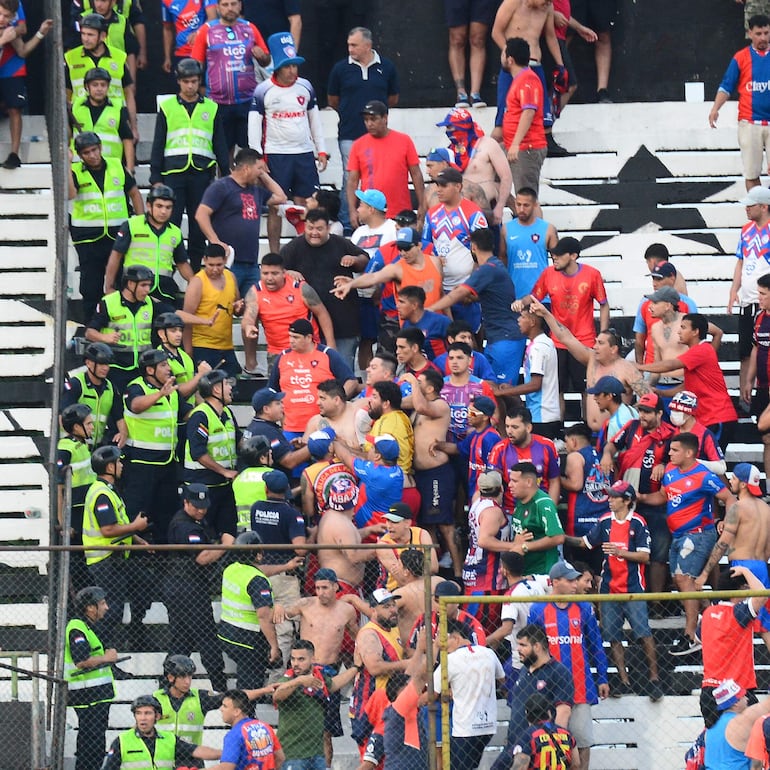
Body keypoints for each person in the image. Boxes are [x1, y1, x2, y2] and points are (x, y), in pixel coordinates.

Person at [566, 480, 663, 701]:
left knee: (643, 632)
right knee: (613, 635)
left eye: (614, 496)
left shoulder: (638, 522)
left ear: (627, 500)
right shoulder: (604, 521)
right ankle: (622, 679)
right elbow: (585, 543)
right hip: (609, 587)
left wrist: (621, 552)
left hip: (632, 587)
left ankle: (654, 678)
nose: (609, 499)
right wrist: (559, 537)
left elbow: (645, 556)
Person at [642, 433, 736, 655]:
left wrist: (725, 521)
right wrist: (641, 498)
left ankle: (690, 634)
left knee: (684, 579)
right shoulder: (670, 472)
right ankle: (711, 614)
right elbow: (664, 496)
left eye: (674, 450)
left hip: (698, 534)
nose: (669, 453)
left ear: (689, 452)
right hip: (678, 535)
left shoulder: (704, 475)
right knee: (680, 580)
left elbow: (730, 498)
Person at [248, 31, 328, 253]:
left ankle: (306, 251)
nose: (292, 70)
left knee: (306, 203)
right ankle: (274, 255)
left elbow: (315, 121)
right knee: (276, 205)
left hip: (303, 153)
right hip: (276, 153)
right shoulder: (263, 90)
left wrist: (321, 150)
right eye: (287, 65)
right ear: (277, 66)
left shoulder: (305, 86)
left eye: (295, 65)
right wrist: (257, 158)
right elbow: (253, 125)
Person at [514, 239, 610, 417]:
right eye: (553, 254)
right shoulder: (548, 273)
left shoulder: (592, 274)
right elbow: (534, 297)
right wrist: (522, 302)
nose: (554, 258)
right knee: (557, 388)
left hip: (584, 341)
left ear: (573, 256)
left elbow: (603, 304)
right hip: (557, 341)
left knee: (587, 388)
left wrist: (604, 332)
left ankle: (587, 429)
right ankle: (559, 431)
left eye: (559, 255)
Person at [150, 57, 229, 271]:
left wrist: (226, 174)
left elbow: (219, 143)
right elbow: (159, 142)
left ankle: (195, 274)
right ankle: (167, 272)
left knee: (198, 226)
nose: (190, 85)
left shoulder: (211, 108)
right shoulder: (167, 107)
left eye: (194, 81)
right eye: (186, 81)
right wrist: (155, 177)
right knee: (172, 224)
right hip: (174, 172)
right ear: (179, 82)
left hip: (202, 174)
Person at [529, 560, 610, 769]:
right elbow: (530, 650)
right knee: (549, 741)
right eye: (570, 579)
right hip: (548, 689)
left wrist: (602, 677)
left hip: (581, 686)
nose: (576, 584)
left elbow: (596, 645)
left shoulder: (584, 608)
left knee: (582, 741)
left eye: (576, 579)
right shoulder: (538, 609)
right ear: (555, 582)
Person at [529, 298, 647, 430]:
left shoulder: (627, 369)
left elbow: (649, 398)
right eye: (595, 342)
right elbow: (565, 338)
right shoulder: (592, 359)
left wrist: (631, 417)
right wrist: (546, 314)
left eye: (600, 343)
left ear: (613, 349)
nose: (595, 346)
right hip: (594, 433)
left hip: (618, 433)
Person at [599, 392, 675, 597]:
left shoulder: (670, 434)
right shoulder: (632, 427)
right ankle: (632, 597)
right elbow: (612, 444)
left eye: (648, 412)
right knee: (628, 549)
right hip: (629, 503)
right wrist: (607, 454)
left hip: (656, 502)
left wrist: (665, 465)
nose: (642, 415)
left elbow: (678, 461)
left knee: (658, 553)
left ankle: (657, 604)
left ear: (660, 413)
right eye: (641, 410)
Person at [195, 147, 287, 311]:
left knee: (254, 311)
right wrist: (215, 242)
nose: (261, 172)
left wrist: (262, 173)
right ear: (246, 168)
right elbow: (201, 214)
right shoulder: (221, 187)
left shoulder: (256, 190)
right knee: (225, 310)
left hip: (251, 262)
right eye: (258, 168)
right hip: (229, 263)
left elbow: (281, 197)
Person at [327, 26, 400, 232]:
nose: (350, 49)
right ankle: (348, 222)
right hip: (350, 132)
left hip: (379, 136)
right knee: (349, 176)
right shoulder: (340, 69)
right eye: (349, 45)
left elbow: (392, 98)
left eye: (354, 45)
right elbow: (333, 100)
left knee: (378, 175)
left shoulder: (387, 67)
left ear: (368, 45)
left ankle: (379, 217)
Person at [428, 227, 523, 384]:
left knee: (504, 390)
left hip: (505, 338)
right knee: (492, 388)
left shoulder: (487, 270)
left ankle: (519, 410)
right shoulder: (496, 266)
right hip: (498, 337)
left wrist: (430, 309)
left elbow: (459, 293)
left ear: (473, 247)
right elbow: (483, 296)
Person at [280, 208, 370, 369]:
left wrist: (354, 259)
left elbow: (364, 259)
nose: (314, 233)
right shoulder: (294, 247)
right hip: (309, 326)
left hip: (345, 321)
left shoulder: (340, 243)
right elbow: (274, 269)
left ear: (328, 228)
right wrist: (288, 272)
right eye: (310, 228)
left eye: (319, 229)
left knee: (342, 369)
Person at [68, 131, 143, 322]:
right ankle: (92, 328)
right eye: (86, 152)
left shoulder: (116, 165)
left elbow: (134, 193)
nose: (92, 155)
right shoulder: (75, 170)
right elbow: (69, 194)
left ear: (100, 148)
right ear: (80, 155)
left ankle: (119, 324)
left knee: (120, 283)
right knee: (91, 286)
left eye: (94, 150)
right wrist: (67, 165)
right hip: (88, 238)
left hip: (117, 236)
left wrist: (141, 223)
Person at [165, 484, 232, 693]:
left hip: (185, 586)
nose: (201, 510)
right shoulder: (185, 526)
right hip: (187, 588)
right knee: (206, 635)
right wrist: (225, 545)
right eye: (196, 506)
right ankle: (220, 687)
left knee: (182, 640)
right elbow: (202, 558)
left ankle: (166, 683)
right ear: (185, 502)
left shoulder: (194, 521)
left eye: (204, 506)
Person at [82, 445, 150, 649]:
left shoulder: (108, 490)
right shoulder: (102, 494)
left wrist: (136, 538)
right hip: (105, 560)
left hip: (115, 559)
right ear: (109, 467)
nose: (121, 465)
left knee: (142, 587)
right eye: (118, 462)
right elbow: (108, 530)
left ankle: (112, 650)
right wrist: (136, 526)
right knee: (110, 611)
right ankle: (102, 654)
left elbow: (118, 523)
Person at [122, 348, 191, 543]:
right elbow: (136, 405)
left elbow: (187, 413)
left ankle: (163, 559)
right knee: (137, 513)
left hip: (167, 464)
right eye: (163, 365)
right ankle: (133, 559)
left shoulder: (172, 389)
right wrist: (160, 394)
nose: (168, 368)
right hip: (141, 464)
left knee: (167, 514)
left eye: (168, 364)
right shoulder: (136, 387)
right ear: (150, 370)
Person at [638, 313, 738, 445]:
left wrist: (640, 366)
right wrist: (661, 393)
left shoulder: (702, 350)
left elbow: (671, 365)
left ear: (695, 332)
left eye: (684, 328)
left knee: (710, 462)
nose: (679, 331)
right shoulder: (699, 351)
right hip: (710, 417)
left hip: (717, 416)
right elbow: (687, 386)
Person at [190, 0, 270, 155]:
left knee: (252, 150)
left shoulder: (250, 28)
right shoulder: (206, 30)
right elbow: (195, 66)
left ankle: (251, 180)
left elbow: (266, 61)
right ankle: (225, 180)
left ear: (240, 5)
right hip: (218, 102)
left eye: (233, 4)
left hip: (248, 101)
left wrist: (262, 56)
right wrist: (201, 91)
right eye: (225, 5)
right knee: (223, 152)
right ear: (218, 7)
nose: (230, 8)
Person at [402, 368, 461, 577]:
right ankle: (434, 572)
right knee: (427, 526)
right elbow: (397, 401)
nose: (415, 385)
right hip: (421, 475)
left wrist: (410, 380)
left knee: (445, 525)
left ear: (429, 387)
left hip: (438, 473)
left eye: (420, 382)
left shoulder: (440, 405)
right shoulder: (418, 403)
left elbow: (420, 404)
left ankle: (458, 573)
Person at [490, 624, 574, 770]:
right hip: (515, 745)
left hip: (538, 748)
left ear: (537, 646)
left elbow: (563, 712)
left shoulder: (559, 672)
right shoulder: (524, 671)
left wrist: (554, 746)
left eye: (523, 645)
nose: (518, 649)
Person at [273, 639, 359, 769]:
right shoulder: (287, 679)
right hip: (292, 755)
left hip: (317, 754)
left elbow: (333, 684)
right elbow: (277, 695)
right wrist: (299, 681)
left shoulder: (319, 677)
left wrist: (356, 668)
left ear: (313, 659)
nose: (295, 664)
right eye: (293, 659)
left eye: (301, 659)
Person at [249, 469, 307, 662]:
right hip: (285, 575)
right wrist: (312, 535)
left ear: (266, 489)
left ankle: (265, 668)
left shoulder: (255, 508)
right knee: (285, 627)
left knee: (263, 622)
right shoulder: (292, 514)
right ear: (287, 489)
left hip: (261, 573)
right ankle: (279, 674)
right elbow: (300, 550)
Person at [422, 167, 488, 331]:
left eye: (443, 185)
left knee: (469, 336)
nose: (438, 189)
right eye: (437, 185)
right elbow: (424, 246)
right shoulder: (432, 213)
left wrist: (472, 286)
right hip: (440, 289)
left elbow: (483, 252)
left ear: (458, 187)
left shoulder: (473, 213)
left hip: (464, 290)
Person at [268, 318, 356, 441]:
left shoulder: (327, 354)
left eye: (296, 337)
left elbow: (351, 381)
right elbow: (271, 390)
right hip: (291, 427)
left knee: (322, 459)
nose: (291, 341)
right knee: (292, 459)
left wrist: (337, 403)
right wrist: (279, 415)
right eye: (290, 336)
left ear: (309, 337)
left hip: (322, 425)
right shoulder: (283, 357)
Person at [709, 14, 770, 191]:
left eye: (766, 33)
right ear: (750, 33)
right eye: (758, 33)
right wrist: (715, 108)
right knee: (752, 174)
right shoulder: (740, 58)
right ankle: (759, 216)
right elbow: (726, 86)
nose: (763, 38)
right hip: (750, 123)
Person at [333, 227, 443, 325]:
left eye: (407, 248)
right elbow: (373, 277)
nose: (402, 253)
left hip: (437, 324)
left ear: (419, 245)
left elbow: (440, 293)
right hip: (413, 329)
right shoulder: (397, 268)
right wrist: (352, 284)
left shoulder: (435, 262)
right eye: (399, 248)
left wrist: (449, 320)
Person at [103, 184, 193, 303]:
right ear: (149, 206)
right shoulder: (131, 225)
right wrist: (109, 287)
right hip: (134, 288)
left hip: (163, 290)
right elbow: (116, 256)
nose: (163, 211)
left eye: (168, 207)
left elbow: (182, 263)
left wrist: (194, 282)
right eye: (159, 206)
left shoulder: (175, 232)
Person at [437, 619, 506, 770]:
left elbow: (431, 694)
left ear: (455, 637)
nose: (441, 646)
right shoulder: (488, 653)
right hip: (488, 726)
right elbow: (501, 679)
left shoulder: (450, 659)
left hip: (465, 729)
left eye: (442, 640)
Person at [464, 470, 527, 633]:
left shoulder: (476, 500)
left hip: (475, 573)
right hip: (487, 578)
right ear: (501, 488)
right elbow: (485, 540)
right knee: (485, 630)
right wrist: (514, 545)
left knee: (473, 626)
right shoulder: (493, 511)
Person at [346, 99, 425, 229]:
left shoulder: (404, 140)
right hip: (371, 212)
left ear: (385, 118)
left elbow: (416, 174)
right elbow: (352, 181)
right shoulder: (358, 145)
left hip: (400, 211)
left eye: (373, 119)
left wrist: (422, 204)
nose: (369, 123)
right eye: (366, 120)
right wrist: (352, 210)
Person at [218, 532, 282, 688]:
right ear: (258, 555)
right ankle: (244, 711)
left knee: (245, 681)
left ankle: (242, 708)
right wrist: (274, 646)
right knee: (250, 686)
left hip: (226, 633)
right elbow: (263, 616)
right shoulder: (257, 580)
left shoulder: (231, 569)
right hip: (247, 639)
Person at [183, 368, 240, 542]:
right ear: (216, 389)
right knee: (208, 535)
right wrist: (225, 471)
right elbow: (198, 453)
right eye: (226, 384)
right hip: (204, 485)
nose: (230, 388)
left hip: (224, 485)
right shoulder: (200, 416)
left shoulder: (228, 413)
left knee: (229, 529)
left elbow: (239, 442)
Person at [64, 586, 117, 770]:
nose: (106, 607)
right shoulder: (77, 628)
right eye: (102, 603)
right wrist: (106, 658)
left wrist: (109, 652)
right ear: (90, 607)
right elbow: (81, 660)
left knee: (94, 744)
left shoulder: (89, 626)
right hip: (87, 696)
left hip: (96, 695)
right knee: (91, 745)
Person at [349, 588, 408, 750]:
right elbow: (374, 667)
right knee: (372, 760)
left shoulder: (394, 629)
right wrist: (406, 664)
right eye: (386, 607)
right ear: (373, 610)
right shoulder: (369, 634)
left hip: (389, 702)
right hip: (370, 706)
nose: (393, 610)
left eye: (393, 605)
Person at [696, 463, 770, 589]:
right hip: (762, 567)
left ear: (743, 484)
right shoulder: (766, 508)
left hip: (741, 567)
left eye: (734, 478)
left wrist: (704, 574)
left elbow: (723, 543)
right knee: (759, 608)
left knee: (739, 608)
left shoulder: (737, 507)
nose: (730, 480)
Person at [435, 107, 513, 226]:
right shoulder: (451, 149)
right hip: (459, 210)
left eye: (450, 127)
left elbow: (506, 177)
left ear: (461, 126)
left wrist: (500, 207)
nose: (448, 131)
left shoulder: (488, 144)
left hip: (485, 208)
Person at [101, 693, 221, 769]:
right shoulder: (122, 741)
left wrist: (227, 754)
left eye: (147, 713)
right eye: (138, 713)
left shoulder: (169, 739)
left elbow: (196, 750)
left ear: (157, 717)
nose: (142, 718)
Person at [65, 13, 136, 132]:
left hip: (115, 119)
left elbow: (129, 94)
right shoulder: (71, 58)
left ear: (103, 36)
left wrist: (133, 127)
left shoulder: (119, 57)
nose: (85, 39)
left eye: (90, 35)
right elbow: (66, 96)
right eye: (83, 34)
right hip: (82, 120)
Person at [183, 243, 244, 377]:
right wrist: (188, 353)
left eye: (219, 265)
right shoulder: (197, 282)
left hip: (227, 346)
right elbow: (185, 319)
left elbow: (236, 308)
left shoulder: (231, 277)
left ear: (225, 261)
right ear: (204, 260)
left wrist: (239, 307)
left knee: (229, 389)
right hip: (203, 346)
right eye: (211, 265)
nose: (215, 269)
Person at [488, 407, 561, 516]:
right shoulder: (499, 449)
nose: (509, 431)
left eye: (515, 427)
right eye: (507, 426)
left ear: (528, 427)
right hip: (511, 513)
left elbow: (554, 481)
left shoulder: (547, 446)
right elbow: (493, 484)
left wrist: (549, 512)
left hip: (540, 511)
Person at [499, 307, 560, 434]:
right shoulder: (541, 343)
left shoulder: (539, 348)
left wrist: (506, 392)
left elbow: (535, 384)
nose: (518, 320)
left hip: (542, 416)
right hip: (541, 413)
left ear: (532, 322)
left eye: (522, 317)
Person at [501, 37, 549, 194]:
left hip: (526, 148)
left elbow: (528, 113)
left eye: (503, 53)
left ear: (510, 59)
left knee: (528, 199)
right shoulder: (520, 79)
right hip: (515, 146)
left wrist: (515, 144)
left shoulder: (527, 79)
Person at [486, 552, 549, 669]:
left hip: (522, 656)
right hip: (542, 648)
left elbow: (506, 629)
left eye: (501, 567)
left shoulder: (511, 594)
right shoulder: (536, 585)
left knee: (509, 684)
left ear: (505, 571)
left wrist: (483, 642)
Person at [57, 404, 96, 590]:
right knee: (78, 564)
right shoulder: (65, 448)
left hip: (85, 509)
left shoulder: (81, 444)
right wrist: (63, 521)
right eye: (88, 424)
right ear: (75, 427)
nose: (92, 427)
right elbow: (58, 486)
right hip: (74, 513)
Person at [62, 342, 126, 448]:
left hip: (96, 446)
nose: (106, 368)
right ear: (88, 363)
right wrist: (75, 444)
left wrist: (123, 434)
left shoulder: (111, 388)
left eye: (107, 364)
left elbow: (119, 417)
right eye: (101, 364)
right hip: (75, 446)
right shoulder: (76, 384)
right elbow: (62, 417)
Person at [633, 261, 697, 366]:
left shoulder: (688, 304)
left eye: (659, 279)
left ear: (672, 278)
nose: (654, 283)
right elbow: (639, 340)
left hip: (678, 368)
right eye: (653, 278)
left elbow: (696, 339)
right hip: (651, 366)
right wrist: (641, 367)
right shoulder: (644, 303)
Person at [70, 66, 134, 171]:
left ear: (108, 87)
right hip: (80, 166)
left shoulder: (118, 108)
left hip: (111, 165)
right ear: (87, 87)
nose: (99, 89)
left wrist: (130, 168)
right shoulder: (75, 107)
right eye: (95, 85)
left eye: (103, 85)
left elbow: (127, 139)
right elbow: (67, 136)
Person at [242, 387, 310, 480]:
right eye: (278, 403)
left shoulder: (255, 425)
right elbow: (289, 461)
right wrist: (313, 446)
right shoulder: (266, 430)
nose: (282, 406)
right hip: (270, 487)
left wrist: (293, 448)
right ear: (266, 409)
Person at [509, 460, 565, 575]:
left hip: (542, 575)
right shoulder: (520, 502)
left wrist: (525, 547)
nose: (510, 484)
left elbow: (558, 537)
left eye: (514, 481)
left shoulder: (543, 504)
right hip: (525, 572)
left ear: (529, 482)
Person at [210, 688, 285, 769]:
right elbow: (280, 758)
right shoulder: (265, 726)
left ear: (236, 712)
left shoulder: (234, 735)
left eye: (225, 706)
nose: (221, 709)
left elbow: (226, 767)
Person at [376, 502, 438, 590]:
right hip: (392, 590)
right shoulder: (383, 545)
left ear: (407, 523)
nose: (389, 526)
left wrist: (406, 569)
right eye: (387, 521)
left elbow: (434, 567)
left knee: (441, 582)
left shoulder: (421, 534)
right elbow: (402, 580)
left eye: (394, 522)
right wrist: (420, 566)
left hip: (422, 585)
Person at [511, 692, 580, 770]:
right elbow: (576, 764)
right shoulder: (567, 734)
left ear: (527, 713)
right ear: (549, 712)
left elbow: (520, 766)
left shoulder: (527, 736)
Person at [668, 391, 727, 476]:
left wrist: (694, 462)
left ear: (689, 413)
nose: (674, 414)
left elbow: (721, 467)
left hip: (698, 480)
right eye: (672, 410)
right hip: (675, 479)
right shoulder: (672, 432)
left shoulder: (705, 434)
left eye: (678, 411)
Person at [745, 257, 770, 447]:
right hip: (762, 386)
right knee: (766, 438)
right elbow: (756, 348)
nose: (758, 298)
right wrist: (748, 380)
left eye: (763, 294)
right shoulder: (759, 317)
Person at [161, 0, 218, 73]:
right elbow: (167, 29)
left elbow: (213, 18)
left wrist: (199, 33)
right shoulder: (166, 1)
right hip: (182, 52)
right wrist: (167, 57)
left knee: (204, 83)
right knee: (187, 82)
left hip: (205, 50)